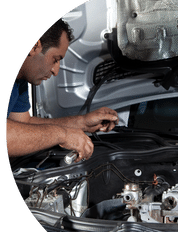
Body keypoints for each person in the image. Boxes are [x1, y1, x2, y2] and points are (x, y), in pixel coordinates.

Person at [6, 19, 119, 162]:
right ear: (34, 46)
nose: (56, 71)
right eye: (55, 59)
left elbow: (24, 124)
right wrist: (62, 135)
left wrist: (83, 122)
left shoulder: (19, 80)